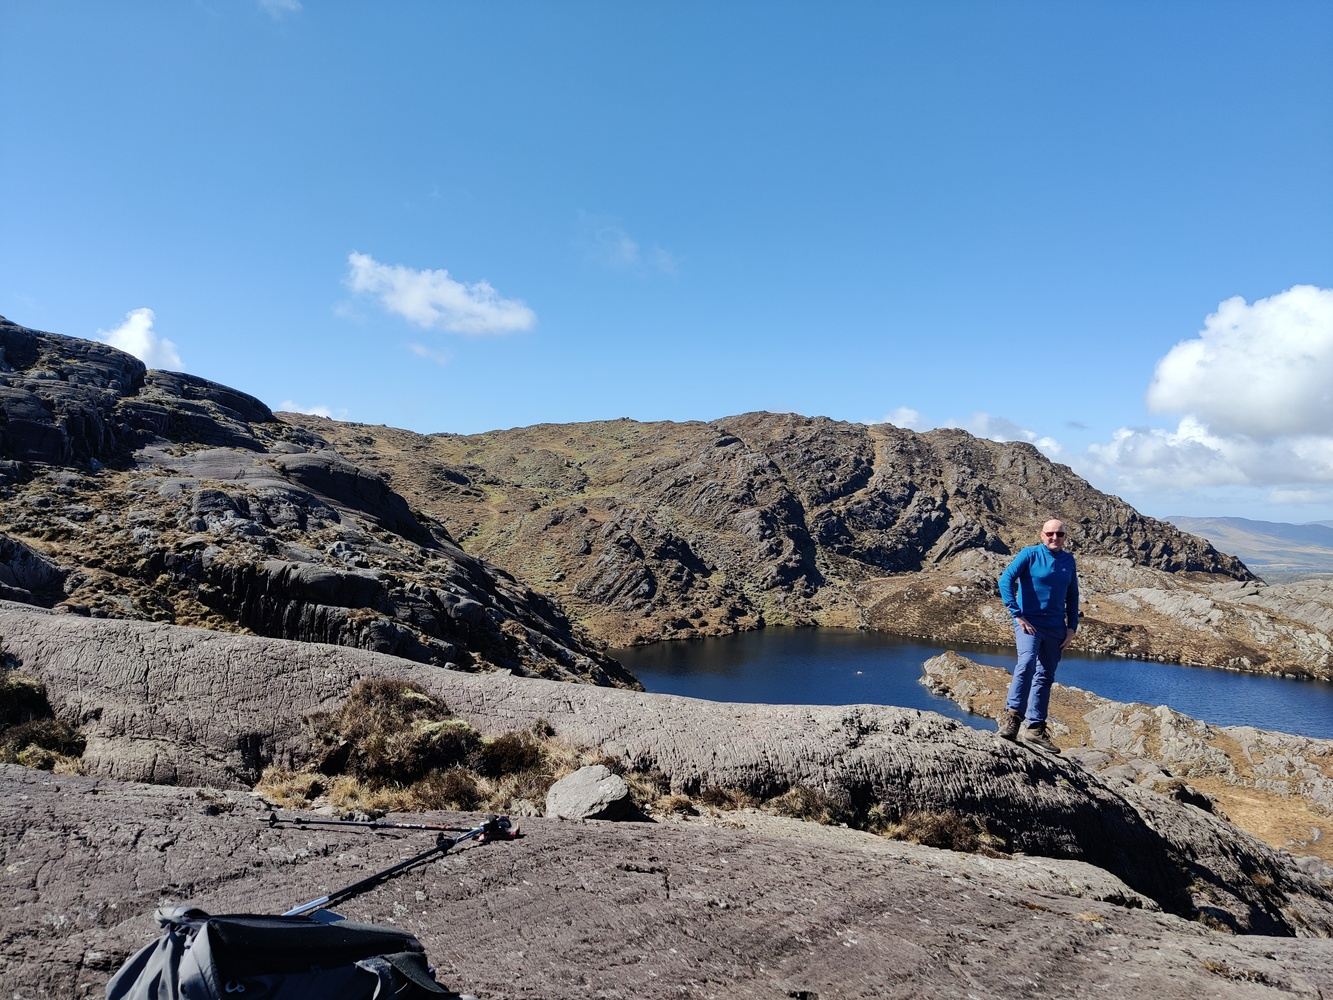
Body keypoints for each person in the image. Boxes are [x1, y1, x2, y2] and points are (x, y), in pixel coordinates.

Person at [995, 518, 1079, 752]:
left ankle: (1035, 729)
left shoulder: (1068, 561)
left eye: (1059, 534)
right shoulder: (1029, 554)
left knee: (1045, 675)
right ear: (1042, 535)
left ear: (1065, 537)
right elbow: (1005, 580)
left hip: (1056, 628)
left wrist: (1072, 628)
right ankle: (1012, 719)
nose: (1055, 538)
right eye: (1050, 534)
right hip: (1029, 624)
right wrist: (1016, 613)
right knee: (1027, 663)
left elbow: (1072, 596)